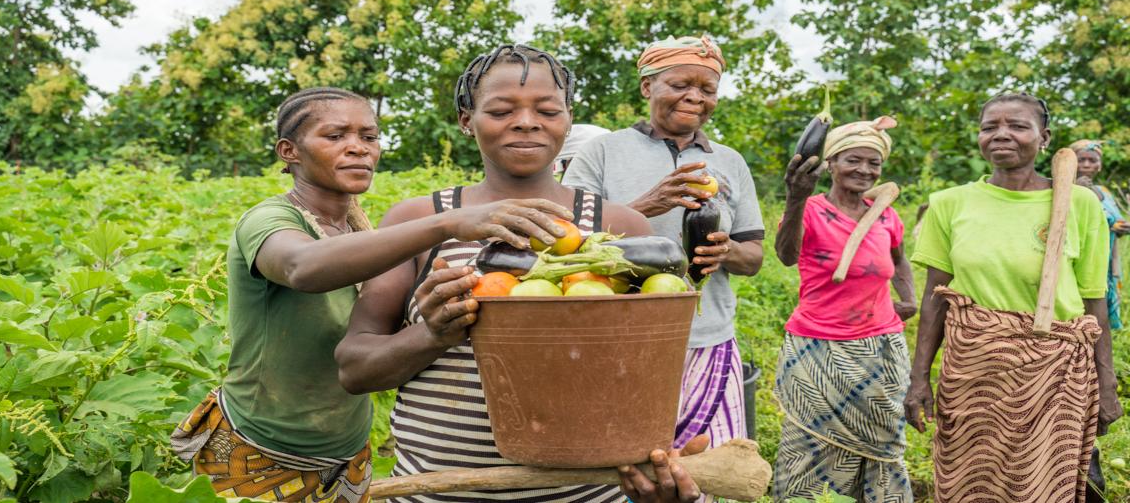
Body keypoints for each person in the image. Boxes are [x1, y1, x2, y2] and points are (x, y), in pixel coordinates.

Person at [335, 45, 706, 503]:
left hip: (581, 494)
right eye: (501, 109)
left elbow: (643, 373)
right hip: (437, 492)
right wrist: (431, 334)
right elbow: (354, 368)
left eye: (547, 109)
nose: (527, 121)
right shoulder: (420, 222)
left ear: (568, 118)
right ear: (466, 120)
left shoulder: (619, 229)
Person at [169, 87, 575, 502]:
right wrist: (447, 223)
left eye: (369, 137)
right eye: (335, 137)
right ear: (289, 151)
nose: (357, 149)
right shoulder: (270, 219)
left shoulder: (360, 229)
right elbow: (302, 267)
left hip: (346, 450)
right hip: (263, 447)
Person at [905, 93, 1121, 503]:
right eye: (990, 127)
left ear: (1044, 138)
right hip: (974, 375)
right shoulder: (949, 203)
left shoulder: (1081, 203)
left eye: (1018, 126)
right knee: (971, 480)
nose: (1001, 135)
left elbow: (1095, 300)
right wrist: (919, 379)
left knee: (1044, 484)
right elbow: (935, 300)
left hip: (1055, 376)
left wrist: (1105, 381)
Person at [562, 35, 765, 455]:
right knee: (627, 470)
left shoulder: (730, 161)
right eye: (680, 85)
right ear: (646, 87)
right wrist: (645, 207)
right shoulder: (602, 152)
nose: (695, 97)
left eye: (707, 90)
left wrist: (727, 252)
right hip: (617, 337)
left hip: (709, 339)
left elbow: (754, 256)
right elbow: (565, 240)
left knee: (706, 472)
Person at [771, 116, 916, 502]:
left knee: (882, 443)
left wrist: (909, 298)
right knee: (811, 444)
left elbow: (899, 260)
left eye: (874, 163)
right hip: (817, 349)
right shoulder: (812, 210)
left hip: (880, 349)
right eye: (853, 160)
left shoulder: (885, 213)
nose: (865, 170)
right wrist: (795, 196)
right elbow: (786, 255)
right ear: (831, 163)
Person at [1072, 139, 1129, 330]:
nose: (1087, 165)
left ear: (1100, 164)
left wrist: (1121, 228)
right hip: (1081, 258)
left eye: (1092, 160)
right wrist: (1077, 188)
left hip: (1105, 257)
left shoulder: (1104, 191)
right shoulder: (1062, 187)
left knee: (1099, 311)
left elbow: (1115, 220)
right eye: (1081, 160)